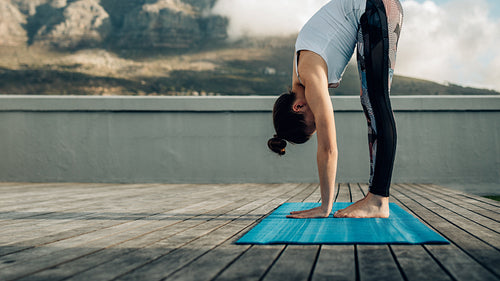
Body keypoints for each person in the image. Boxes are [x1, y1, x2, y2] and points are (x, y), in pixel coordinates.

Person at [267, 0, 403, 218]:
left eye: (313, 125)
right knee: (372, 102)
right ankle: (377, 198)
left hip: (374, 7)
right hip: (374, 11)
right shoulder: (300, 71)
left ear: (299, 106)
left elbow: (328, 148)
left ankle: (378, 200)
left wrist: (324, 208)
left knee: (376, 101)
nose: (318, 123)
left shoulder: (309, 76)